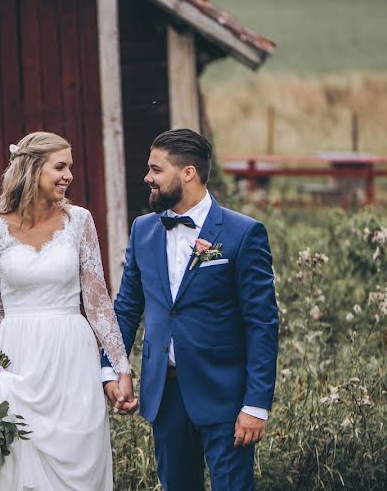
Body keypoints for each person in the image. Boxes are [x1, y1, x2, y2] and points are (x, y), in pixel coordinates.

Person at [103, 128, 279, 491]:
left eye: (156, 169)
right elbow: (126, 309)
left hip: (225, 398)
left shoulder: (242, 233)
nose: (147, 178)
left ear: (188, 173)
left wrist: (256, 405)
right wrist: (112, 367)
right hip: (165, 397)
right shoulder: (144, 230)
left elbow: (262, 323)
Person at [0, 131, 132, 491]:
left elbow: (97, 301)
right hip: (15, 356)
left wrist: (120, 366)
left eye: (70, 167)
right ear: (31, 169)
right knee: (15, 458)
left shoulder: (80, 221)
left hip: (71, 354)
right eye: (60, 167)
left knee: (80, 459)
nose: (68, 176)